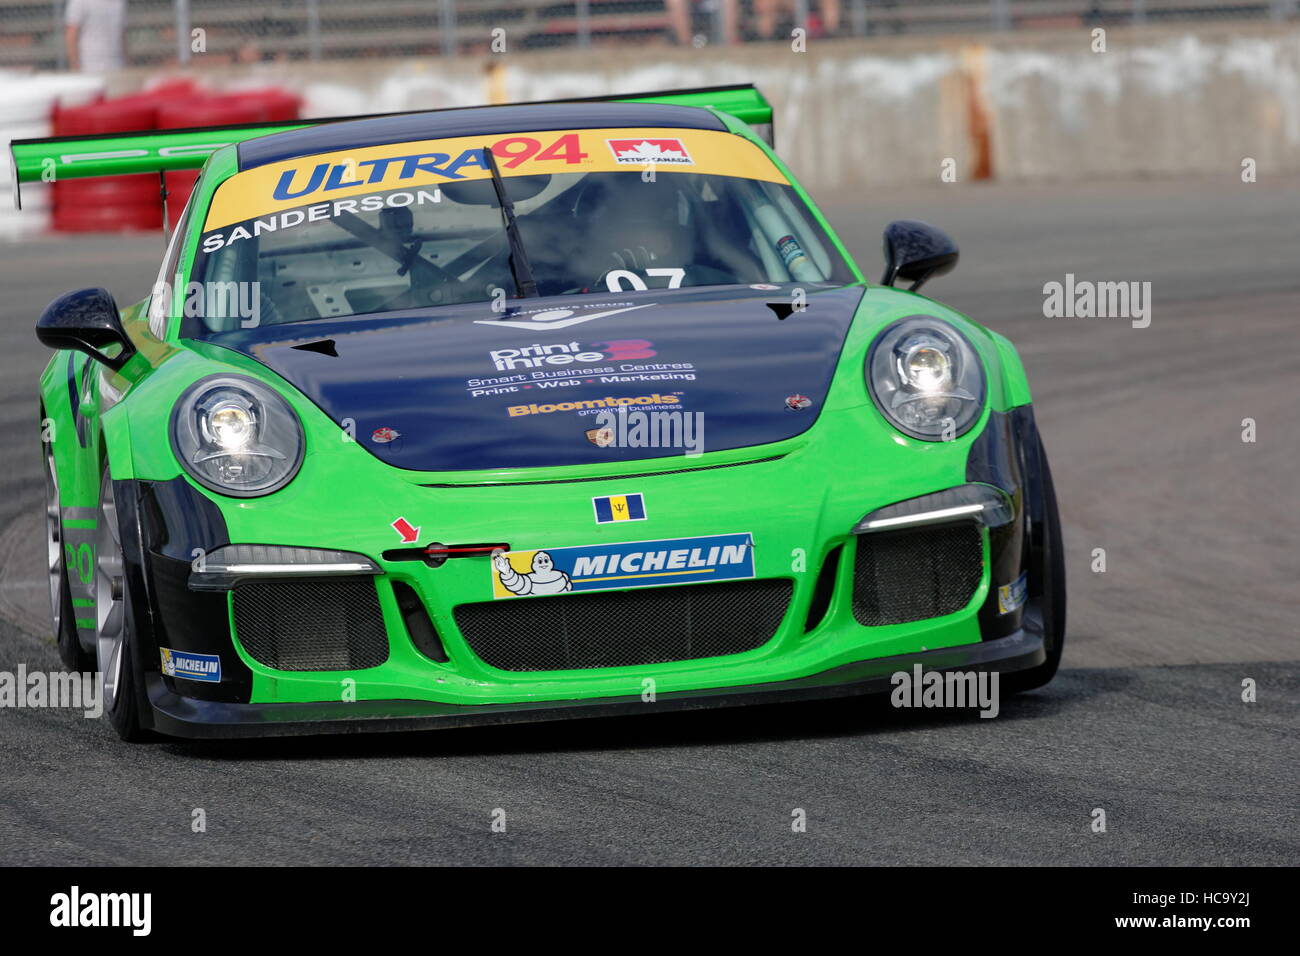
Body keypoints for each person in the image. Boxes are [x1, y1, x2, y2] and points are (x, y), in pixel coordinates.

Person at [64, 0, 127, 73]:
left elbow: (122, 35)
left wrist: (127, 62)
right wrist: (75, 66)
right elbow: (71, 36)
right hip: (89, 66)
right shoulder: (79, 2)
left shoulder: (120, 2)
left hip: (117, 64)